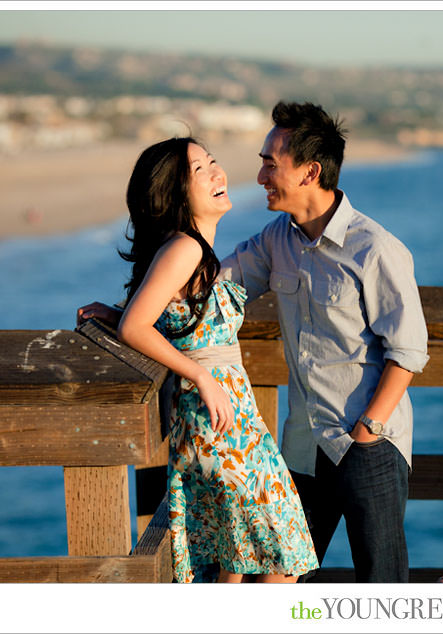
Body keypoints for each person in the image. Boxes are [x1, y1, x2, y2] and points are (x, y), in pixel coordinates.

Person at [81, 137, 319, 583]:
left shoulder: (192, 250)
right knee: (277, 554)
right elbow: (138, 327)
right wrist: (200, 376)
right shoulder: (185, 249)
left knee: (241, 561)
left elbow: (158, 321)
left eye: (213, 162)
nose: (217, 174)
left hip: (231, 425)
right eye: (199, 170)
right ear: (174, 193)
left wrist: (117, 316)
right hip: (219, 427)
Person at [219, 101, 429, 582]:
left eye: (271, 164)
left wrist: (369, 429)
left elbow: (408, 351)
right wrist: (132, 311)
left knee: (382, 585)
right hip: (304, 446)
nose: (260, 176)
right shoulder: (278, 239)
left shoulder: (376, 248)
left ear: (311, 171)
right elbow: (216, 285)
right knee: (276, 575)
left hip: (367, 445)